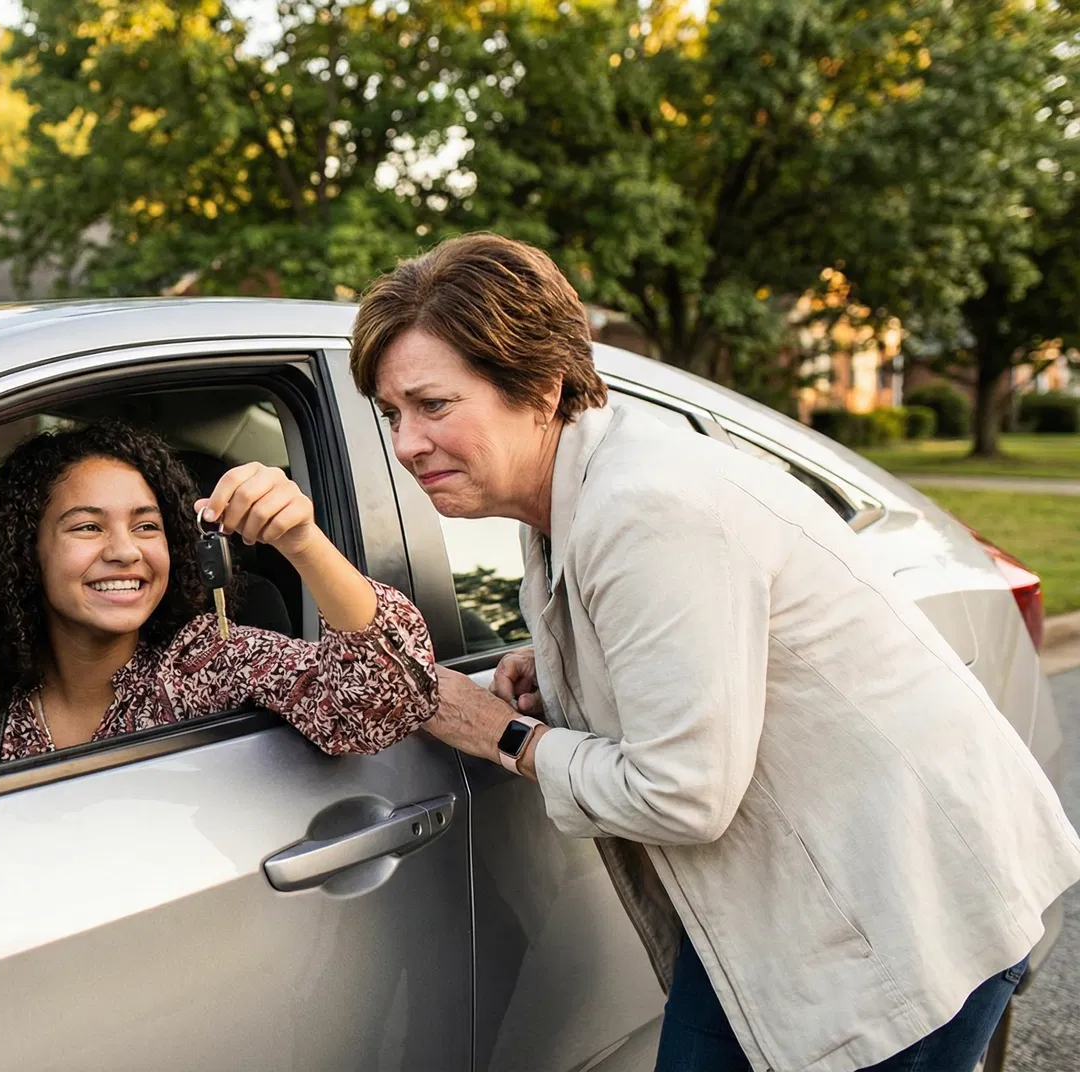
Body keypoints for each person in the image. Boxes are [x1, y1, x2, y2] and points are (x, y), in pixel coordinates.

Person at [348, 233, 1080, 1072]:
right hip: (791, 915)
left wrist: (499, 734)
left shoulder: (647, 505)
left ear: (541, 389)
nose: (406, 444)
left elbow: (682, 795)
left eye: (433, 405)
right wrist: (563, 669)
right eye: (392, 414)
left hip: (902, 918)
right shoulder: (568, 492)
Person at [0, 420, 438, 768]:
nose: (125, 551)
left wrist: (302, 541)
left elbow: (387, 703)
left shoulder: (209, 662)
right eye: (87, 527)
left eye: (147, 526)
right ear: (26, 550)